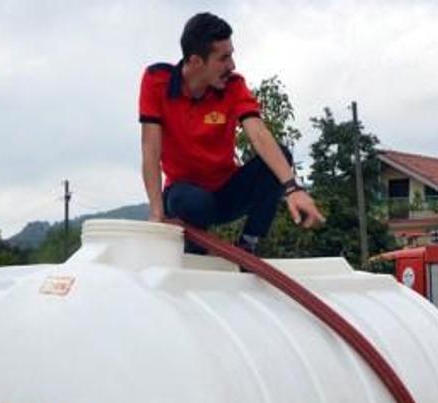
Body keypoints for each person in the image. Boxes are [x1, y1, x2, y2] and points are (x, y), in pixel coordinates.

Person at [139, 13, 324, 254]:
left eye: (232, 55)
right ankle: (195, 250)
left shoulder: (234, 86)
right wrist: (156, 214)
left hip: (225, 192)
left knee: (282, 156)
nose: (232, 66)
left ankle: (249, 244)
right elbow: (150, 149)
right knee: (193, 202)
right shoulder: (156, 80)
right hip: (184, 196)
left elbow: (258, 132)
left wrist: (293, 188)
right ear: (196, 62)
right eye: (223, 58)